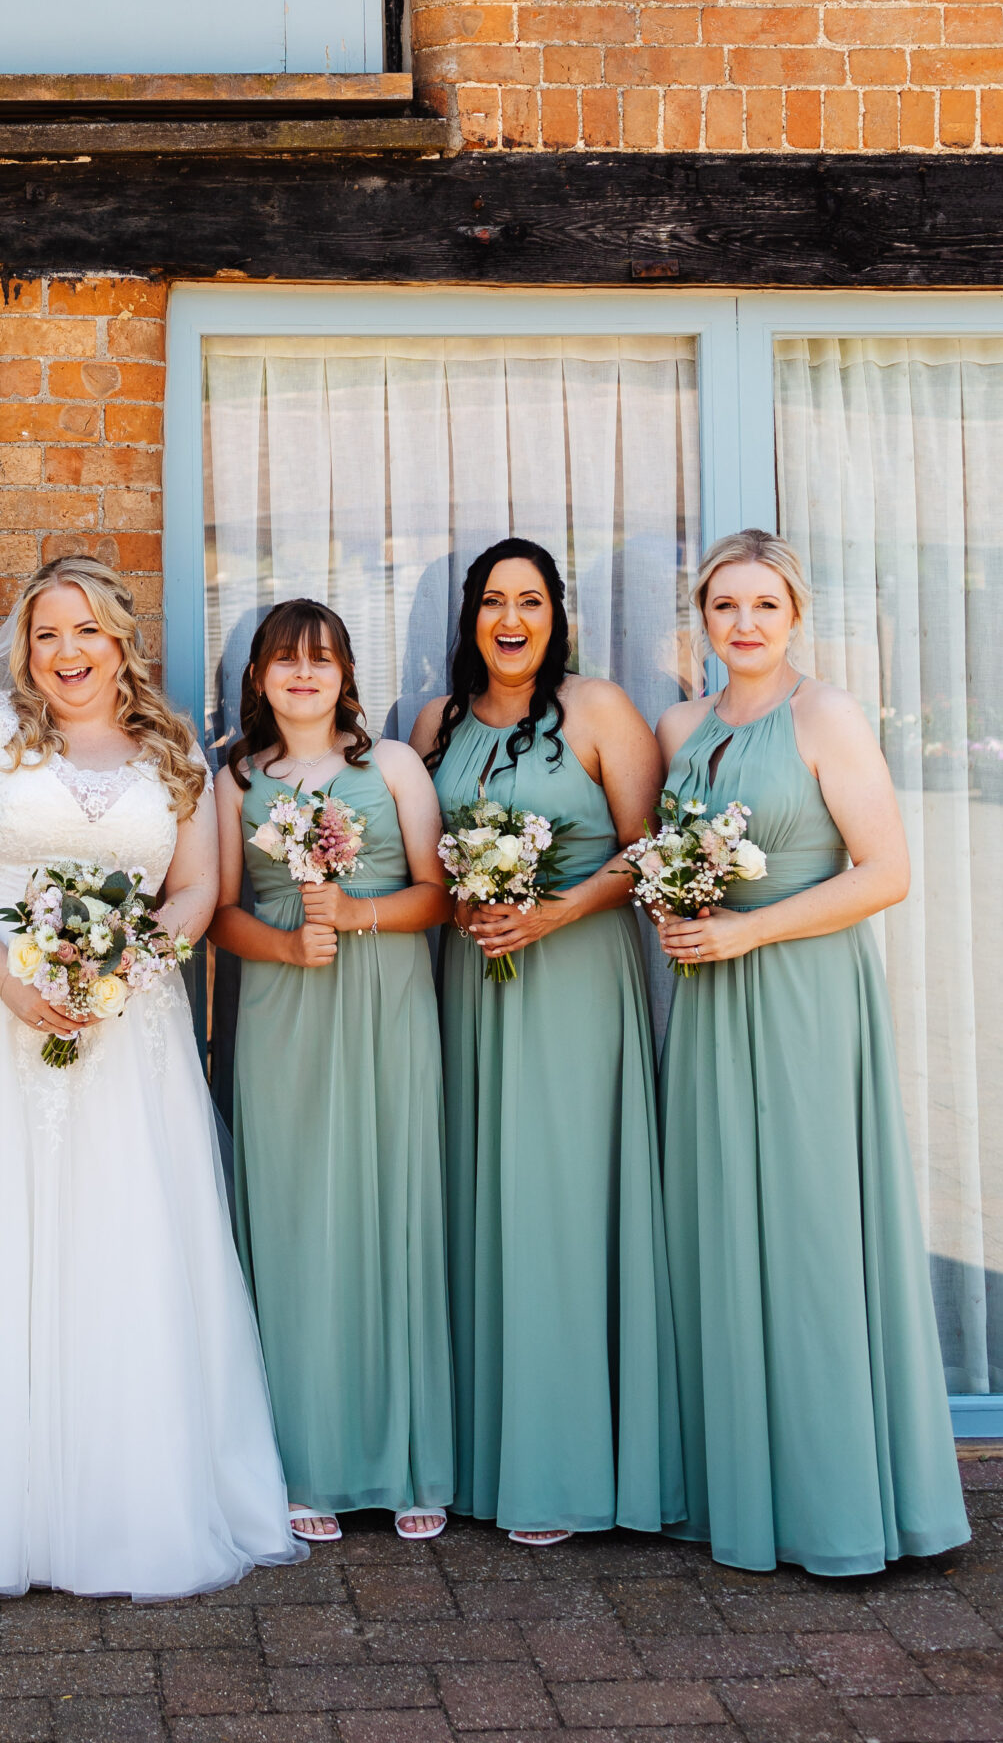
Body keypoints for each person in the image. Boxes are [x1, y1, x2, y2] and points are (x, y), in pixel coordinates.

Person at [0, 555, 301, 1597]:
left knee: (121, 1239)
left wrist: (122, 967)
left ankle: (128, 1502)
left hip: (132, 1027)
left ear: (121, 638)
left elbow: (199, 888)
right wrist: (6, 975)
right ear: (24, 649)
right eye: (46, 635)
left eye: (86, 631)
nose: (66, 653)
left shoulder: (175, 751)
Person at [655, 529, 968, 1577]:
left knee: (812, 1233)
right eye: (725, 606)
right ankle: (745, 1488)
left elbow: (885, 872)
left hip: (802, 998)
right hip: (708, 1001)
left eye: (764, 606)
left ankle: (839, 1505)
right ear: (701, 618)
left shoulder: (826, 715)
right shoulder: (680, 723)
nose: (743, 624)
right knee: (722, 1227)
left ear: (795, 615)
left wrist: (748, 928)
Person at [411, 539, 683, 1547]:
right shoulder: (435, 724)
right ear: (471, 617)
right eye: (492, 600)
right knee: (480, 1201)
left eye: (529, 600)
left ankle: (567, 1461)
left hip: (572, 981)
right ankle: (484, 1455)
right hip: (469, 988)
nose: (510, 618)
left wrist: (551, 913)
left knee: (563, 1205)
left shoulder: (600, 708)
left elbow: (650, 846)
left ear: (555, 613)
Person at [212, 598, 453, 1545]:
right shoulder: (235, 780)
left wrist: (359, 917)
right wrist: (281, 947)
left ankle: (406, 1460)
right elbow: (218, 914)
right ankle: (300, 1460)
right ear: (260, 678)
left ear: (347, 673)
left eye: (320, 659)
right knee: (297, 1219)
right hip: (282, 1015)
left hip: (389, 1007)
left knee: (389, 1212)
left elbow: (437, 897)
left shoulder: (390, 765)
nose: (302, 675)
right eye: (283, 661)